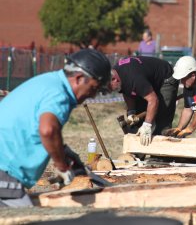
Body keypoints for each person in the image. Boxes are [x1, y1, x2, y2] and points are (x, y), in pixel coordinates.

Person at [0, 49, 112, 207]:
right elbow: (48, 130)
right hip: (4, 169)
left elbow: (34, 127)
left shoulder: (49, 82)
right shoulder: (59, 93)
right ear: (79, 78)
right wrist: (62, 166)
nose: (93, 95)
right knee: (24, 218)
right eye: (93, 88)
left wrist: (64, 152)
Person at [110, 56, 178, 145]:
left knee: (162, 116)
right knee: (136, 120)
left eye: (110, 87)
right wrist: (131, 112)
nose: (110, 91)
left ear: (115, 79)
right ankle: (137, 154)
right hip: (146, 79)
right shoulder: (118, 75)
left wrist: (147, 125)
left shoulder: (134, 78)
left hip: (165, 77)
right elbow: (126, 91)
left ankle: (159, 156)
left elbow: (153, 100)